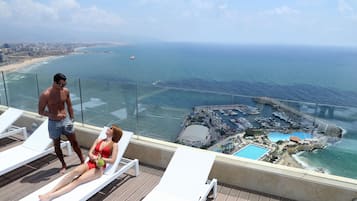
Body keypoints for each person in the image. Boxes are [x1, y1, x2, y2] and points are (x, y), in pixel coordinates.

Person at [38, 125, 122, 201]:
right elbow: (90, 153)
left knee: (77, 181)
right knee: (73, 172)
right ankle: (49, 192)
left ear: (114, 133)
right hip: (90, 163)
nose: (108, 128)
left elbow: (113, 160)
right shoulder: (99, 140)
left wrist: (100, 159)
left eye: (111, 129)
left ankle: (51, 196)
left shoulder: (114, 145)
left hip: (99, 168)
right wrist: (93, 157)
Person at [38, 73, 84, 174]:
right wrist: (54, 116)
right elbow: (40, 111)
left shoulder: (65, 91)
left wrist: (72, 118)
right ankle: (63, 164)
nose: (63, 86)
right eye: (61, 84)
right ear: (55, 82)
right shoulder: (46, 94)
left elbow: (69, 105)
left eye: (64, 84)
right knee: (57, 145)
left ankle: (82, 160)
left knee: (74, 142)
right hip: (54, 122)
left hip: (66, 120)